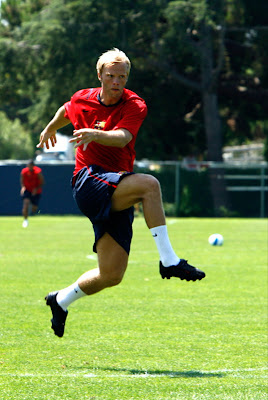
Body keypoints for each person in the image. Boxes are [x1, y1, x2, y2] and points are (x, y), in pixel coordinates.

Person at [37, 48, 205, 338]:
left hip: (115, 184)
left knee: (111, 275)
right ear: (100, 75)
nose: (116, 81)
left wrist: (94, 133)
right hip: (88, 181)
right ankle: (169, 261)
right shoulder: (82, 97)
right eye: (111, 75)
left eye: (122, 76)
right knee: (149, 185)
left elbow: (123, 137)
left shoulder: (134, 104)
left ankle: (61, 300)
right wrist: (50, 127)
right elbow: (67, 109)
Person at [20, 159, 44, 228]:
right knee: (25, 204)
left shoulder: (38, 172)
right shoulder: (24, 171)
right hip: (27, 190)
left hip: (36, 191)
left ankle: (31, 212)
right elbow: (22, 181)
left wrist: (36, 189)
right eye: (28, 166)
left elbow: (42, 182)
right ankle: (25, 220)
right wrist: (23, 187)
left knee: (34, 208)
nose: (29, 167)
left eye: (31, 166)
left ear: (33, 166)